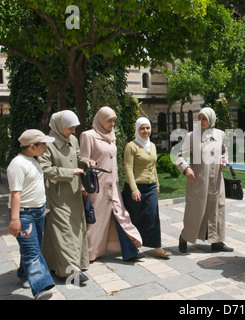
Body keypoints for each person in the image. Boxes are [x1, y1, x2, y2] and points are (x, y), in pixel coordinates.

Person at [37, 111, 95, 284]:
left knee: (76, 229)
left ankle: (68, 263)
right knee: (63, 232)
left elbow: (76, 158)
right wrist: (70, 172)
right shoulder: (48, 144)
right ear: (60, 126)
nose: (73, 131)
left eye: (74, 128)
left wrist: (86, 161)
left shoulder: (73, 140)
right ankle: (71, 272)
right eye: (70, 128)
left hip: (74, 194)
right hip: (58, 195)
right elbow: (45, 169)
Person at [79, 106, 142, 262]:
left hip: (112, 186)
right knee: (95, 222)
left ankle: (130, 249)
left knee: (121, 216)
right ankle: (89, 254)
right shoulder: (88, 136)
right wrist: (83, 189)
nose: (112, 124)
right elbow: (83, 161)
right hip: (97, 187)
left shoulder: (111, 136)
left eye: (114, 121)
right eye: (109, 121)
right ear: (101, 120)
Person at [176, 107, 232, 253]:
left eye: (204, 118)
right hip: (199, 181)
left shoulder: (220, 134)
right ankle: (184, 237)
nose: (201, 121)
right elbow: (180, 156)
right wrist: (186, 168)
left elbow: (224, 152)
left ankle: (217, 242)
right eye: (199, 118)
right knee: (195, 211)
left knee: (217, 210)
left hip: (217, 182)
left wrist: (224, 159)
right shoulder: (192, 136)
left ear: (211, 119)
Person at [7, 129, 56, 299]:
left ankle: (24, 273)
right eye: (42, 145)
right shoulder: (17, 165)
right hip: (24, 214)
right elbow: (15, 194)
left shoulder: (33, 161)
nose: (45, 148)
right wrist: (15, 219)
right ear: (32, 146)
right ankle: (41, 288)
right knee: (33, 251)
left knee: (32, 247)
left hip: (38, 211)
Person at [122, 117, 171, 259]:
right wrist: (134, 189)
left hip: (150, 187)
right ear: (137, 130)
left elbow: (153, 166)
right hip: (136, 187)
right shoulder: (131, 146)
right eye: (142, 128)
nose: (145, 131)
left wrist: (157, 184)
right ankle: (133, 248)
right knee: (135, 218)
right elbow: (128, 168)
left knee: (153, 216)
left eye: (147, 128)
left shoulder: (152, 146)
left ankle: (157, 248)